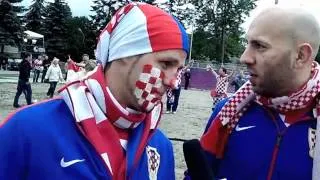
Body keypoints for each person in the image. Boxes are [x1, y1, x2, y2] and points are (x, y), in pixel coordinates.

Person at [0, 3, 189, 179]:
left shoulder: (161, 146)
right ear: (124, 53)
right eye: (166, 63)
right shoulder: (27, 129)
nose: (174, 82)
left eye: (179, 69)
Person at [198, 7, 320, 180]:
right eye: (248, 44)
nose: (244, 57)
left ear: (300, 56)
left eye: (260, 46)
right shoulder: (227, 112)